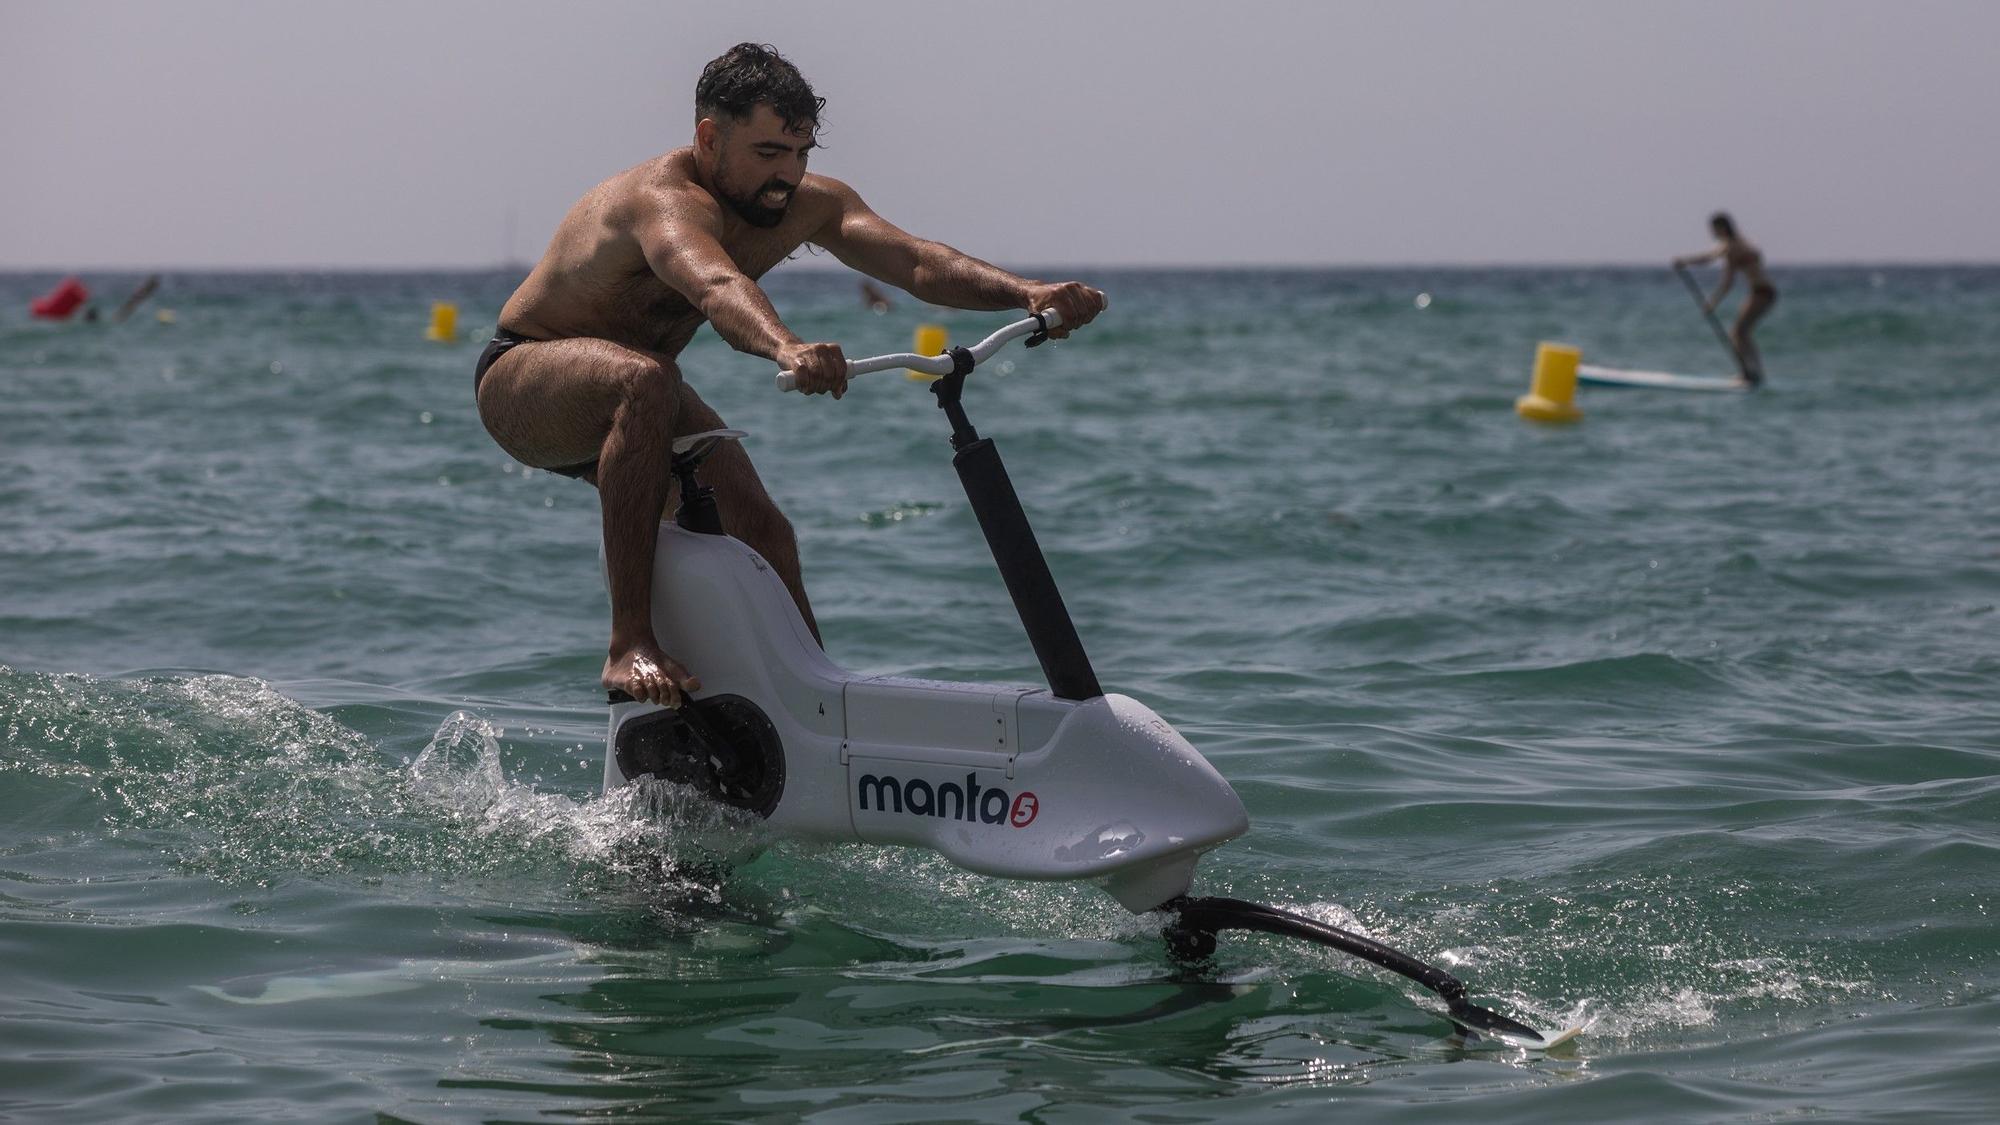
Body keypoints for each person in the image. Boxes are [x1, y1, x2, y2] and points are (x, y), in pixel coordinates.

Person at [474, 43, 1105, 710]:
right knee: (648, 377)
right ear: (709, 138)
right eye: (769, 153)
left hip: (642, 400)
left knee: (763, 529)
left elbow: (916, 263)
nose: (788, 175)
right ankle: (628, 644)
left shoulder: (808, 205)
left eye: (801, 154)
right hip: (525, 379)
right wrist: (787, 347)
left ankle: (820, 709)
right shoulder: (663, 201)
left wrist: (1027, 291)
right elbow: (717, 288)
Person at [1673, 211, 1776, 386]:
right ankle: (1753, 372)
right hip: (1763, 291)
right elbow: (1725, 274)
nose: (1712, 233)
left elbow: (1714, 266)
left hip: (1762, 292)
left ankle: (1750, 374)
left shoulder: (1731, 247)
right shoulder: (1740, 243)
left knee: (1738, 332)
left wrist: (1685, 261)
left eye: (1713, 229)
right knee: (1742, 333)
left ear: (1721, 228)